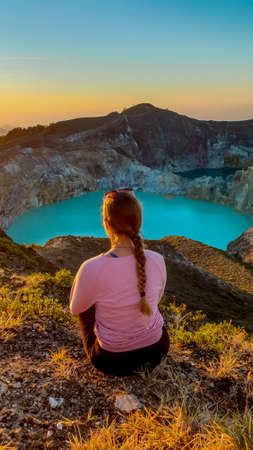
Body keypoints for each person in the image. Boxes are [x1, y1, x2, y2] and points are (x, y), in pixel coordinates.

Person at [69, 188, 169, 376]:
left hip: (111, 360)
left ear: (106, 225)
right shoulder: (158, 259)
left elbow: (75, 309)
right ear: (138, 223)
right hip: (158, 350)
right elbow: (158, 299)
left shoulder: (91, 268)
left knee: (86, 306)